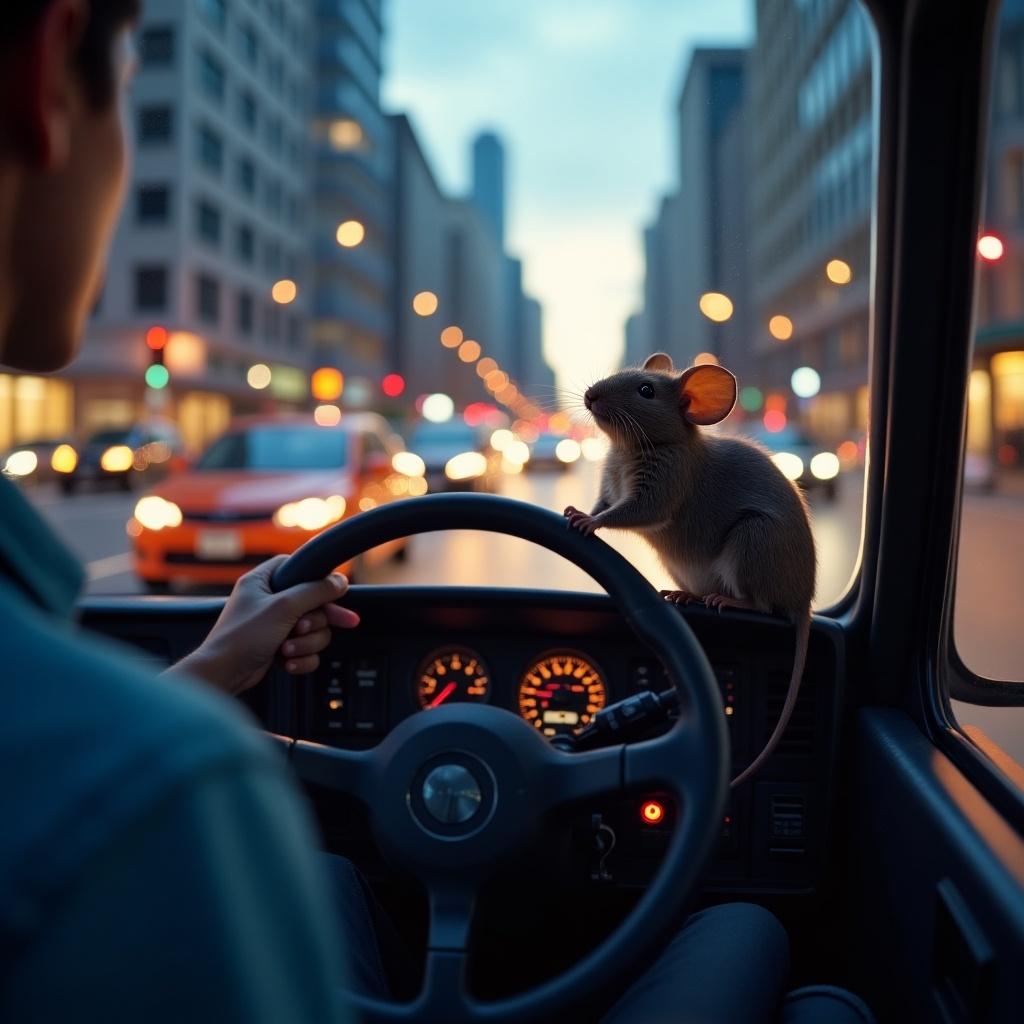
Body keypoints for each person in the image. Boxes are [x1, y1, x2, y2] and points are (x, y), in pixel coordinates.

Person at [0, 3, 874, 1021]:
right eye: (134, 81)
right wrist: (183, 727)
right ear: (50, 80)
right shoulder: (158, 790)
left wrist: (200, 677)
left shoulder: (109, 747)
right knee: (752, 934)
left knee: (328, 878)